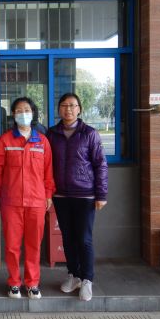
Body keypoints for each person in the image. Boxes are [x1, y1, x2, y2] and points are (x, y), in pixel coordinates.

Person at [46, 93, 108, 302]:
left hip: (85, 195)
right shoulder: (52, 134)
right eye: (64, 105)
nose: (68, 109)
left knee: (84, 238)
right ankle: (74, 275)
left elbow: (100, 165)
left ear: (79, 109)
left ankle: (87, 279)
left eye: (72, 105)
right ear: (59, 109)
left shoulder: (89, 133)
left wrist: (101, 194)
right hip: (61, 195)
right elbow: (46, 164)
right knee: (68, 238)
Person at [0, 97, 55, 299]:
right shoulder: (5, 140)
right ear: (13, 114)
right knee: (12, 246)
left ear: (33, 113)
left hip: (36, 201)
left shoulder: (42, 141)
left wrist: (48, 195)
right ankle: (14, 283)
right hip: (11, 202)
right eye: (18, 110)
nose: (23, 113)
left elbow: (48, 172)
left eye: (26, 110)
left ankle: (32, 283)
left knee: (34, 245)